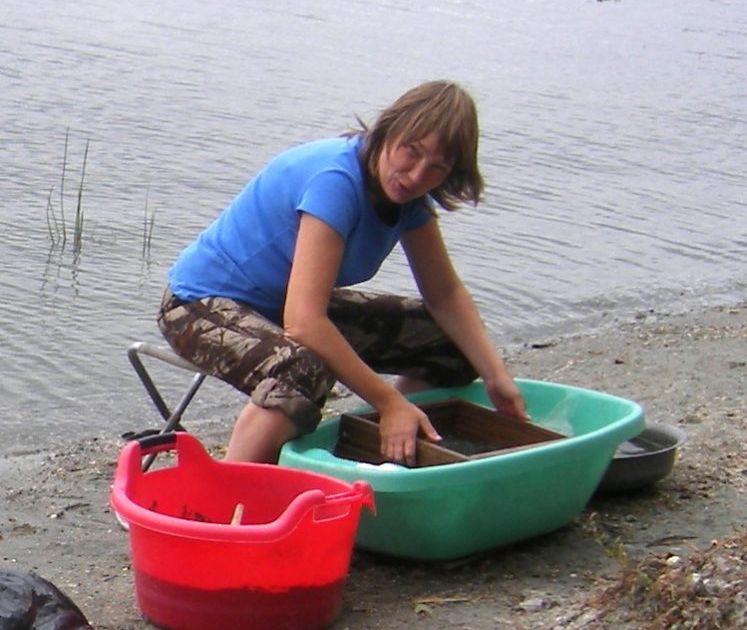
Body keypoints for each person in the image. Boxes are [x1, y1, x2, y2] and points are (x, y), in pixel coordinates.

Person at [158, 80, 526, 466]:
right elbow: (303, 324)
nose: (417, 176)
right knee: (301, 369)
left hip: (279, 305)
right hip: (197, 304)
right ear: (388, 129)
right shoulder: (336, 181)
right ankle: (231, 492)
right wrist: (388, 401)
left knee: (451, 345)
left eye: (436, 168)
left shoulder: (408, 197)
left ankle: (392, 451)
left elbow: (445, 294)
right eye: (411, 152)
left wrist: (495, 375)